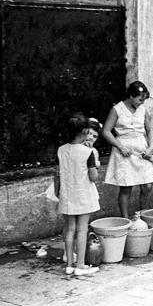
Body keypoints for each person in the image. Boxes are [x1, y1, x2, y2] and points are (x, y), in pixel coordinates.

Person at [102, 81, 153, 219]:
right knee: (126, 187)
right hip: (124, 149)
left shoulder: (143, 110)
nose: (141, 102)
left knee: (148, 185)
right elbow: (106, 131)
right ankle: (126, 219)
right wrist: (120, 147)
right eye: (140, 99)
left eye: (144, 100)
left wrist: (151, 147)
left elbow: (149, 129)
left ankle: (143, 215)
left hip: (141, 149)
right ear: (131, 96)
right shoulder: (117, 109)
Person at [55, 113, 100, 276]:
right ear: (83, 132)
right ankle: (80, 265)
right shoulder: (88, 152)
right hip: (82, 195)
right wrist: (95, 166)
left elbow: (58, 174)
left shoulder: (61, 150)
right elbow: (93, 176)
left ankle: (69, 264)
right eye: (88, 132)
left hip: (67, 195)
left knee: (69, 230)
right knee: (82, 230)